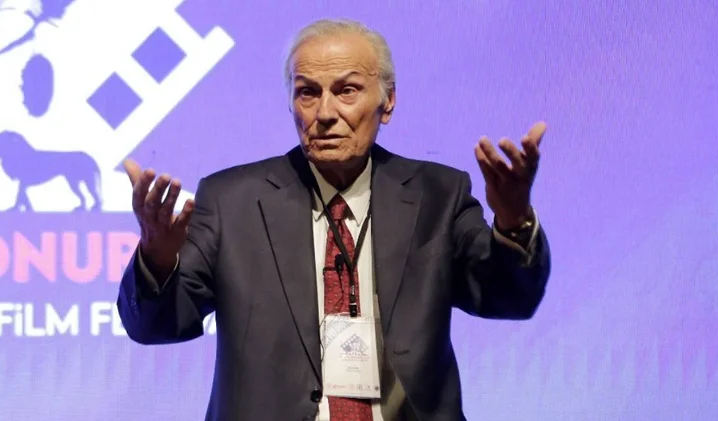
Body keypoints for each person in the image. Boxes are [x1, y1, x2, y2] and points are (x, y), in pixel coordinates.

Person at [117, 18, 551, 421]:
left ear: (387, 101)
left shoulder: (437, 195)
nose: (324, 114)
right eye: (307, 92)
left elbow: (510, 298)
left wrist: (513, 219)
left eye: (346, 91)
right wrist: (157, 257)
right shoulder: (233, 200)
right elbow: (154, 326)